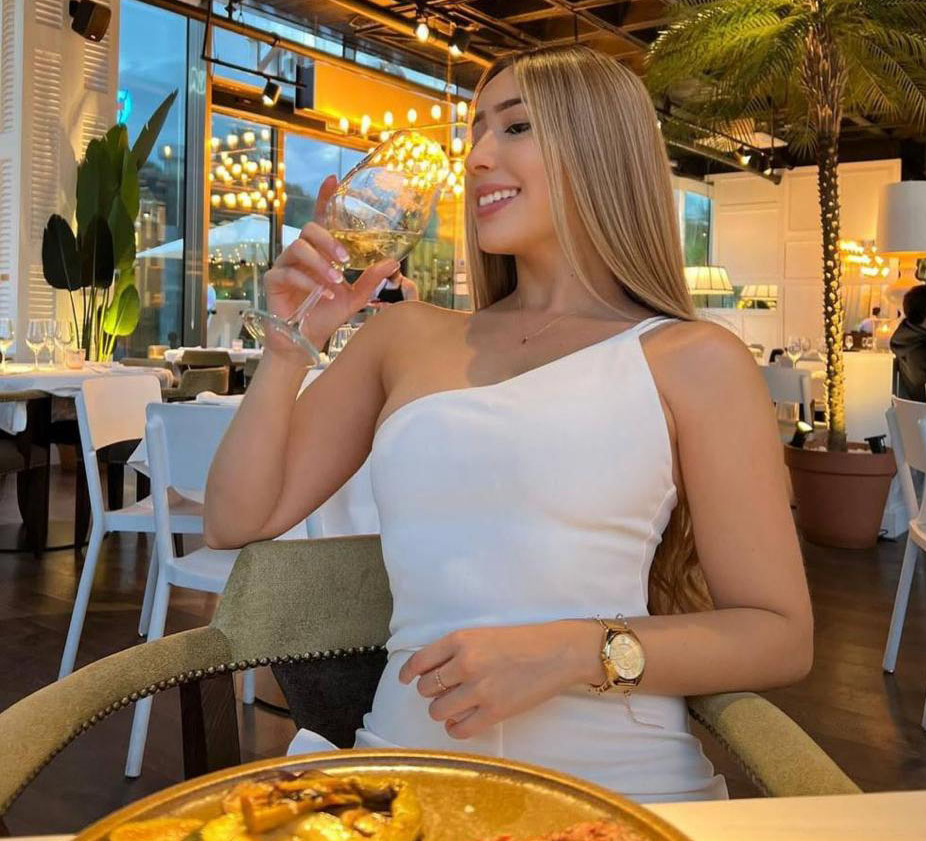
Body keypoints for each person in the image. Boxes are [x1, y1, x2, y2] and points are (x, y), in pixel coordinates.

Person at [205, 45, 812, 804]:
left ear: (601, 150)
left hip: (618, 790)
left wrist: (575, 652)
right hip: (409, 776)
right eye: (475, 133)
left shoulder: (693, 359)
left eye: (516, 127)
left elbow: (779, 633)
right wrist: (288, 346)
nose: (478, 158)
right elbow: (234, 518)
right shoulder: (404, 337)